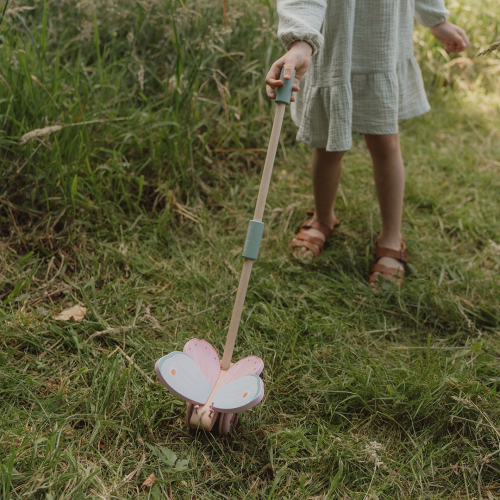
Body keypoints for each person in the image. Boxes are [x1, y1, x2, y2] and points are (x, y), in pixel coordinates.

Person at [265, 0, 468, 286]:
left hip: (382, 44)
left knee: (386, 144)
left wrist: (436, 20)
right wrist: (301, 41)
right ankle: (323, 218)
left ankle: (391, 237)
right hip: (334, 45)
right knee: (328, 144)